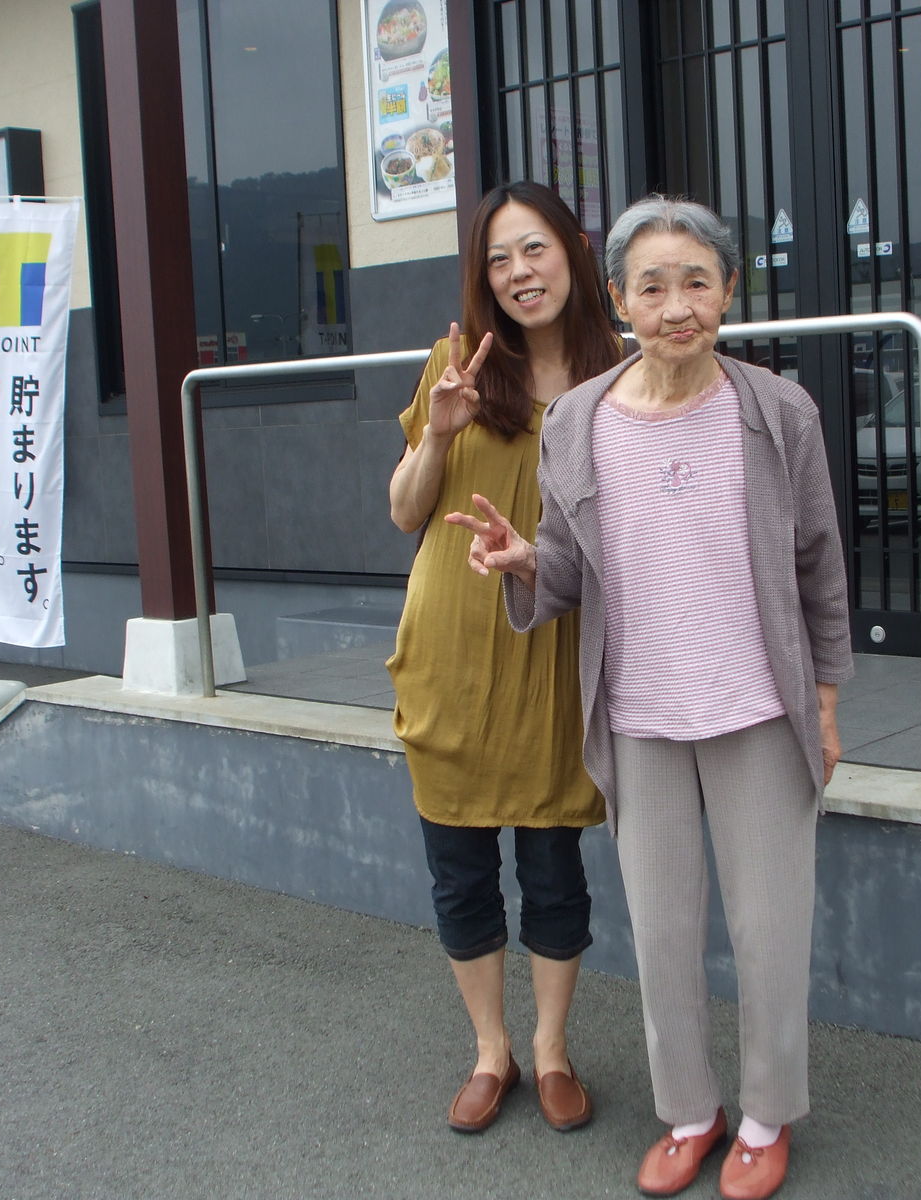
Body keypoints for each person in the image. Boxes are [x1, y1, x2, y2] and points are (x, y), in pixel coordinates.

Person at [446, 195, 853, 1200]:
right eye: (653, 286)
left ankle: (764, 1116)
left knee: (768, 932)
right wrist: (519, 561)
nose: (677, 306)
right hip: (639, 718)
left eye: (697, 282)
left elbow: (817, 567)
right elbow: (572, 568)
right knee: (664, 938)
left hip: (758, 708)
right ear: (618, 297)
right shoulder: (581, 420)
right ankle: (690, 1111)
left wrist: (828, 699)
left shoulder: (777, 412)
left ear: (727, 291)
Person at [386, 181, 622, 1135]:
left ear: (573, 250)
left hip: (553, 648)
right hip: (450, 648)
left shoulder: (620, 382)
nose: (520, 272)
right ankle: (493, 1053)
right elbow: (406, 512)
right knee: (460, 869)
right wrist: (439, 433)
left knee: (555, 868)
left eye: (535, 249)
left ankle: (555, 1049)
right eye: (498, 258)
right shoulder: (459, 367)